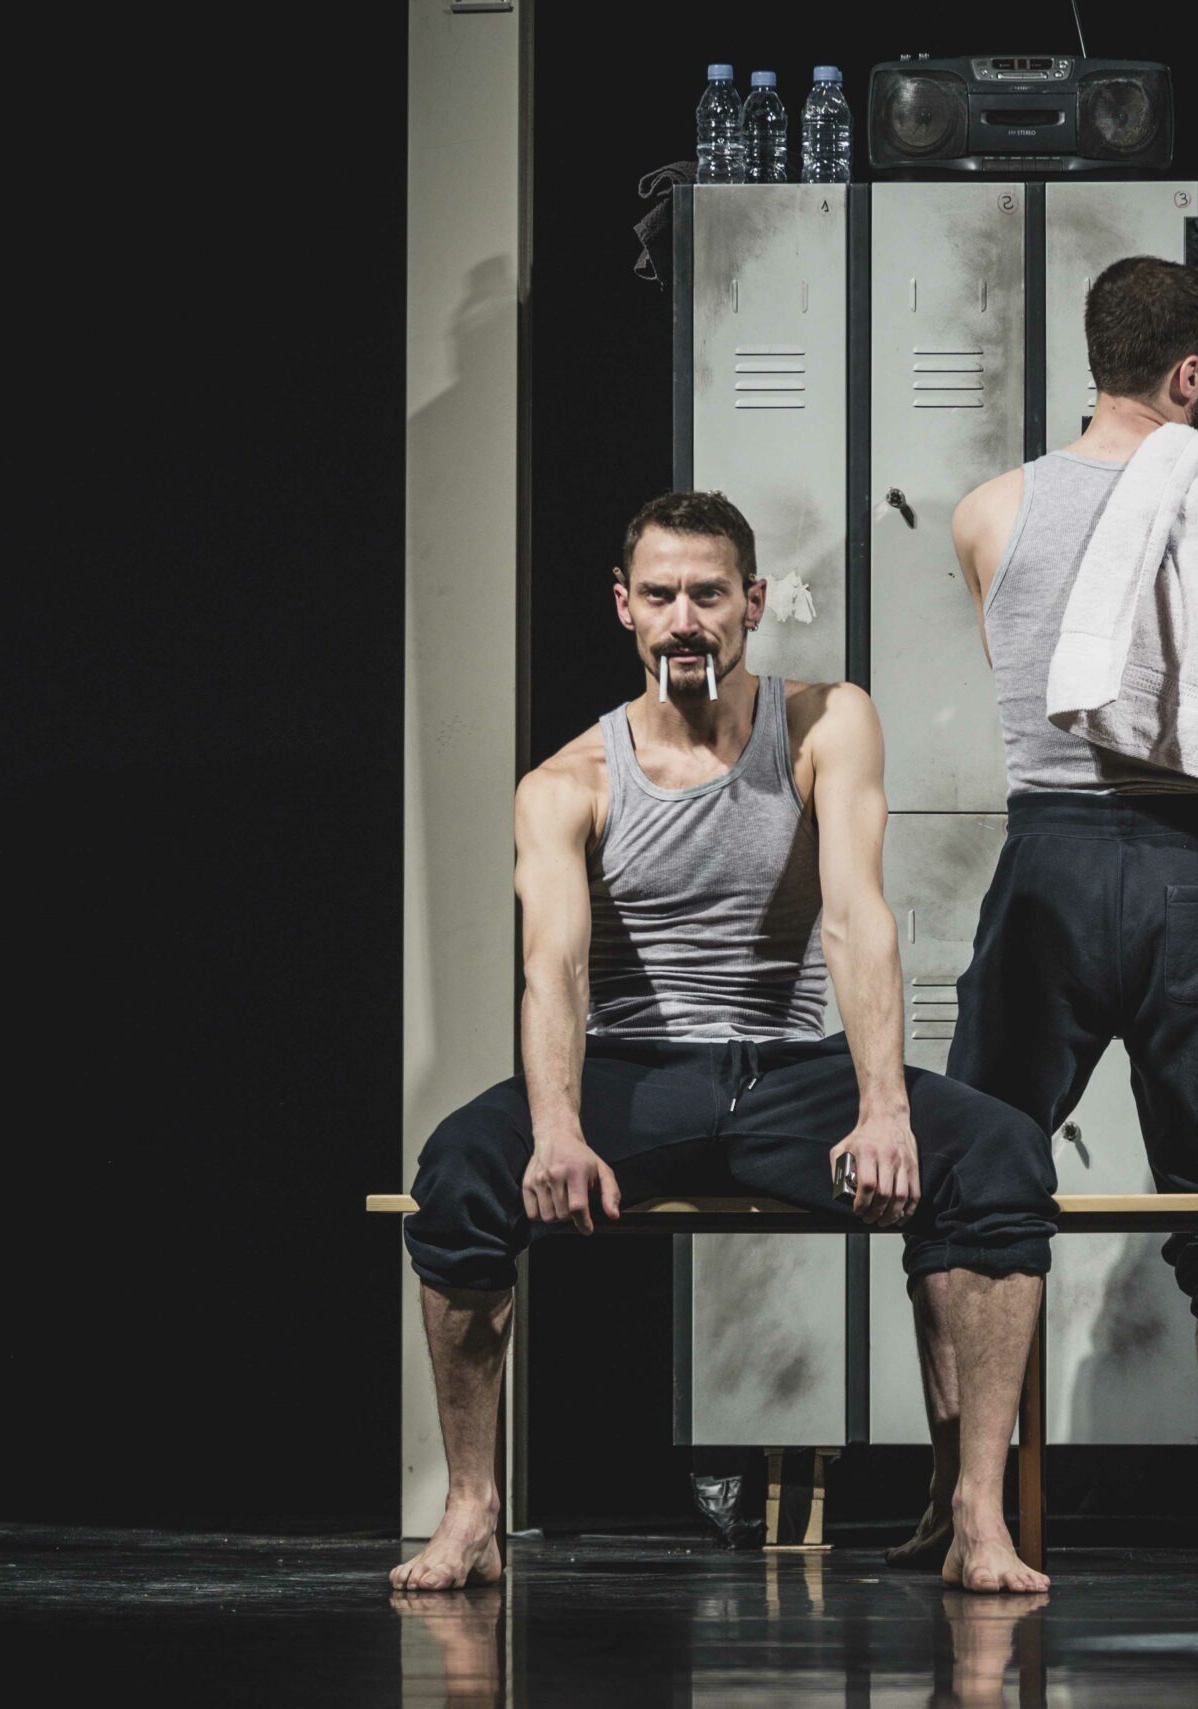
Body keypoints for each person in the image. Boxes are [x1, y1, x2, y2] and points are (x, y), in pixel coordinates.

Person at [395, 490, 1057, 1595]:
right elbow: (553, 964)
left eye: (708, 594)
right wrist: (555, 1127)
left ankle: (975, 1513)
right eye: (659, 595)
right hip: (634, 1074)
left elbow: (855, 915)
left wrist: (883, 1107)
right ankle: (471, 1507)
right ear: (624, 607)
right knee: (460, 1168)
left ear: (752, 600)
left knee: (997, 1155)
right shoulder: (567, 782)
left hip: (788, 1072)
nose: (684, 619)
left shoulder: (826, 721)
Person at [888, 256, 1198, 1574]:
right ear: (1196, 372)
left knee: (974, 1173)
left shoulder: (989, 512)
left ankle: (956, 1494)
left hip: (1051, 863)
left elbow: (1032, 687)